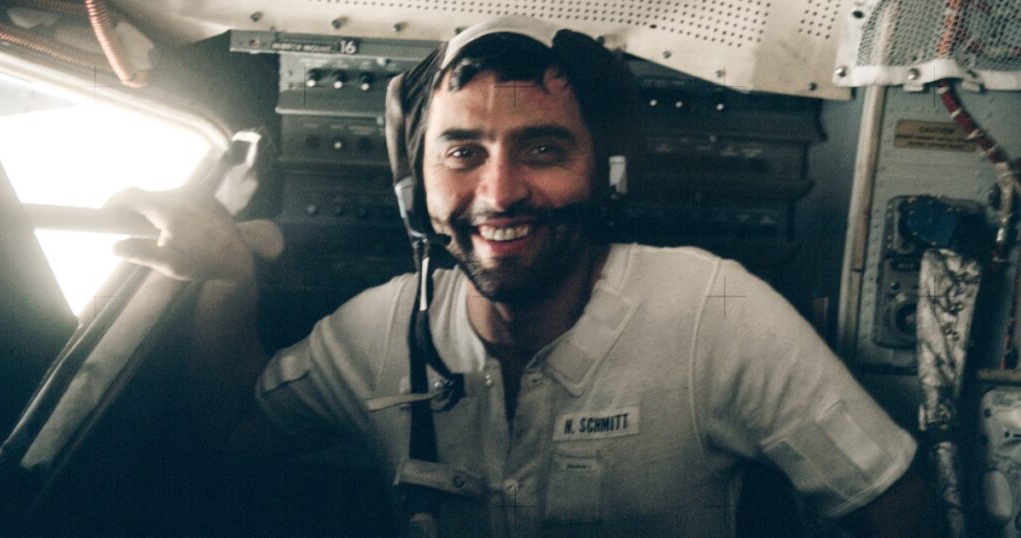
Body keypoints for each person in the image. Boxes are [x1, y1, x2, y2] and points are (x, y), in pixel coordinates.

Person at [107, 15, 939, 538]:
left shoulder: (716, 314)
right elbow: (234, 433)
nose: (499, 192)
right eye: (462, 152)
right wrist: (226, 278)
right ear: (413, 187)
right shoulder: (375, 332)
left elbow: (891, 502)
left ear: (607, 175)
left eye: (542, 148)